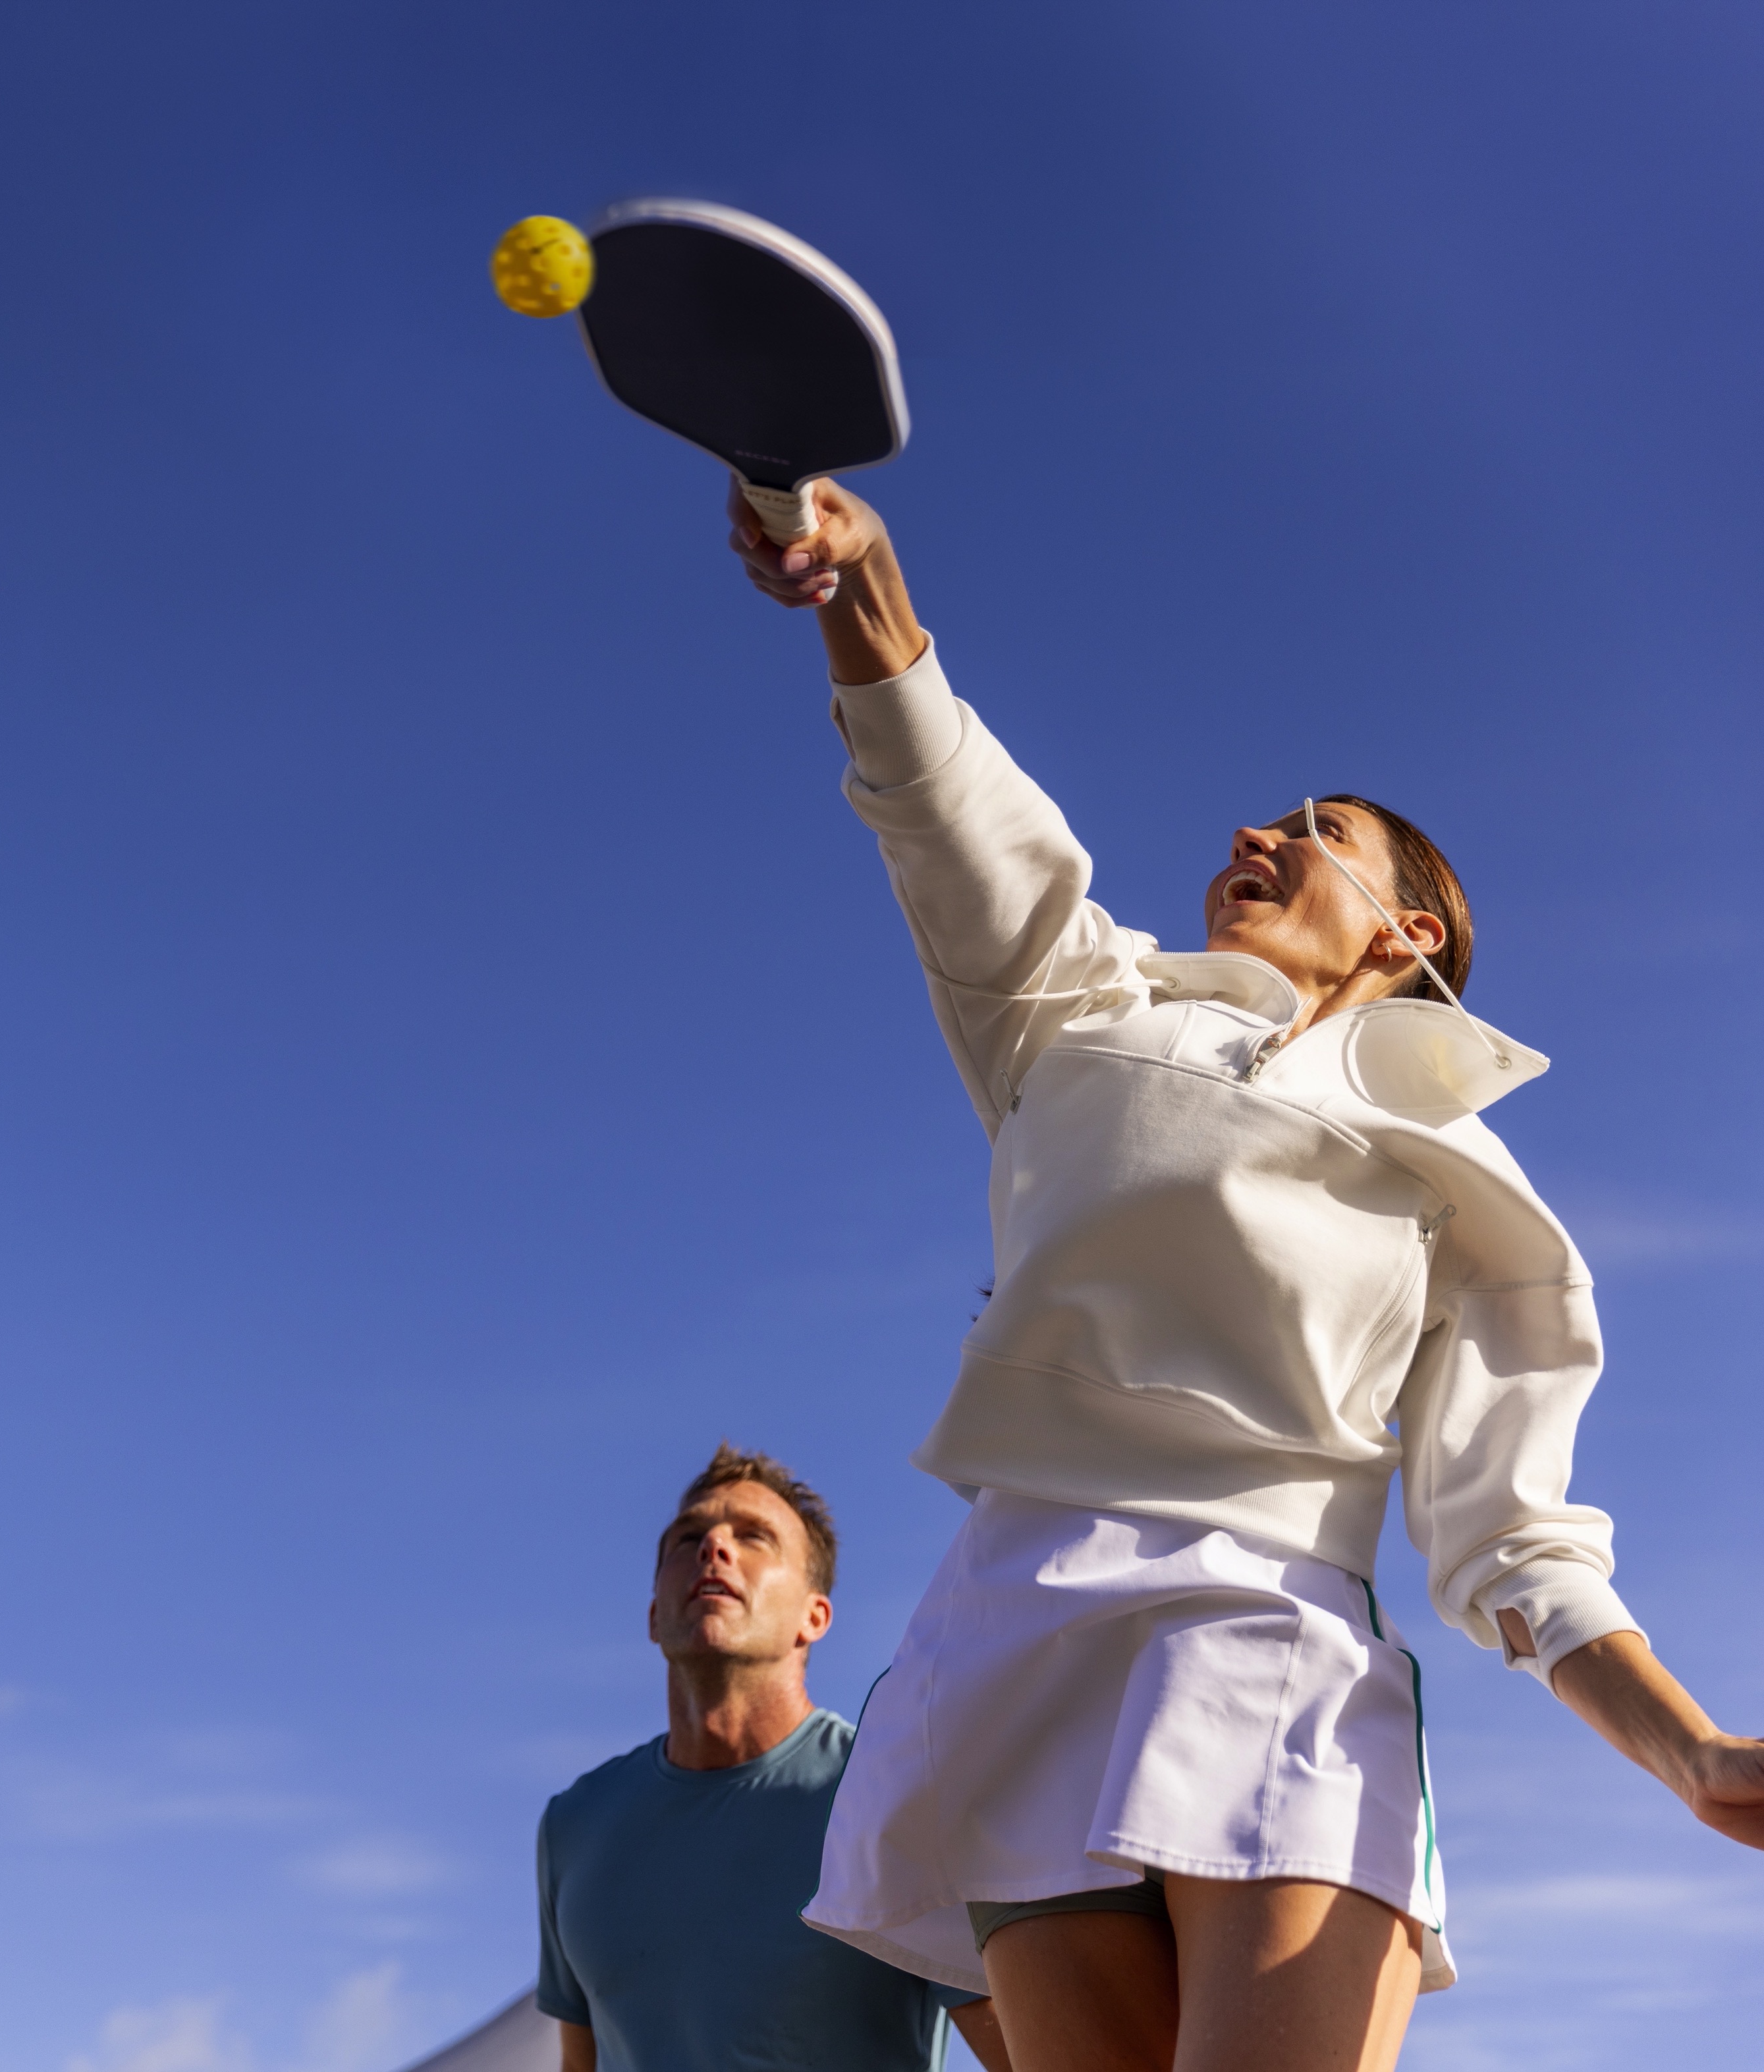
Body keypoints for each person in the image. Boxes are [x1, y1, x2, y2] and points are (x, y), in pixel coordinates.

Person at [718, 479, 1764, 2072]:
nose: (1251, 836)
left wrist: (1685, 1747)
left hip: (1268, 1623)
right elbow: (947, 818)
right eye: (1260, 822)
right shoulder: (1080, 1008)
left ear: (1404, 931)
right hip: (1012, 1634)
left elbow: (1515, 1539)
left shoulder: (1468, 1185)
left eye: (1313, 832)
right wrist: (861, 586)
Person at [536, 1444, 1012, 2072]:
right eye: (688, 1537)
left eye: (754, 1537)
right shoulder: (574, 1826)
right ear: (654, 1615)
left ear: (813, 1616)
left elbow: (1024, 2054)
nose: (715, 1548)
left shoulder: (889, 1793)